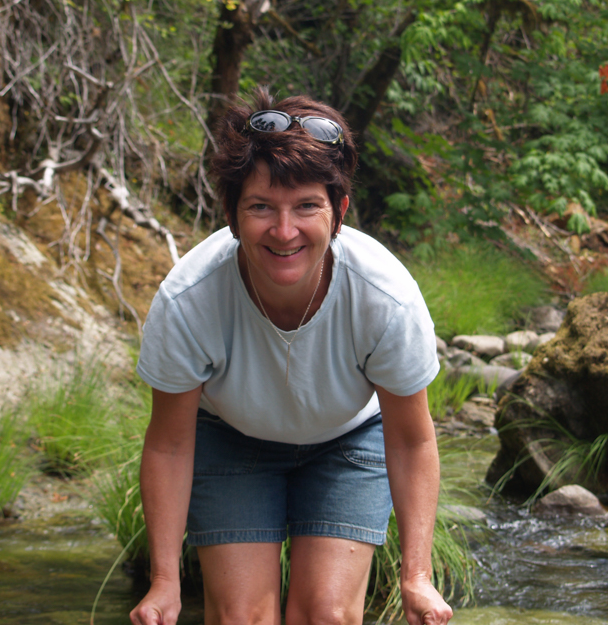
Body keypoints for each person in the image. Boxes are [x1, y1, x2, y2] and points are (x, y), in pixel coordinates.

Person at [130, 89, 453, 625]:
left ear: (339, 211)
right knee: (240, 618)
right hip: (230, 439)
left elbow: (412, 438)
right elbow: (168, 443)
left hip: (347, 442)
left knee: (325, 614)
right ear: (232, 215)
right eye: (261, 207)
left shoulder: (384, 296)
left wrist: (416, 576)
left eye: (307, 206)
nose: (284, 231)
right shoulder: (189, 299)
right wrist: (164, 583)